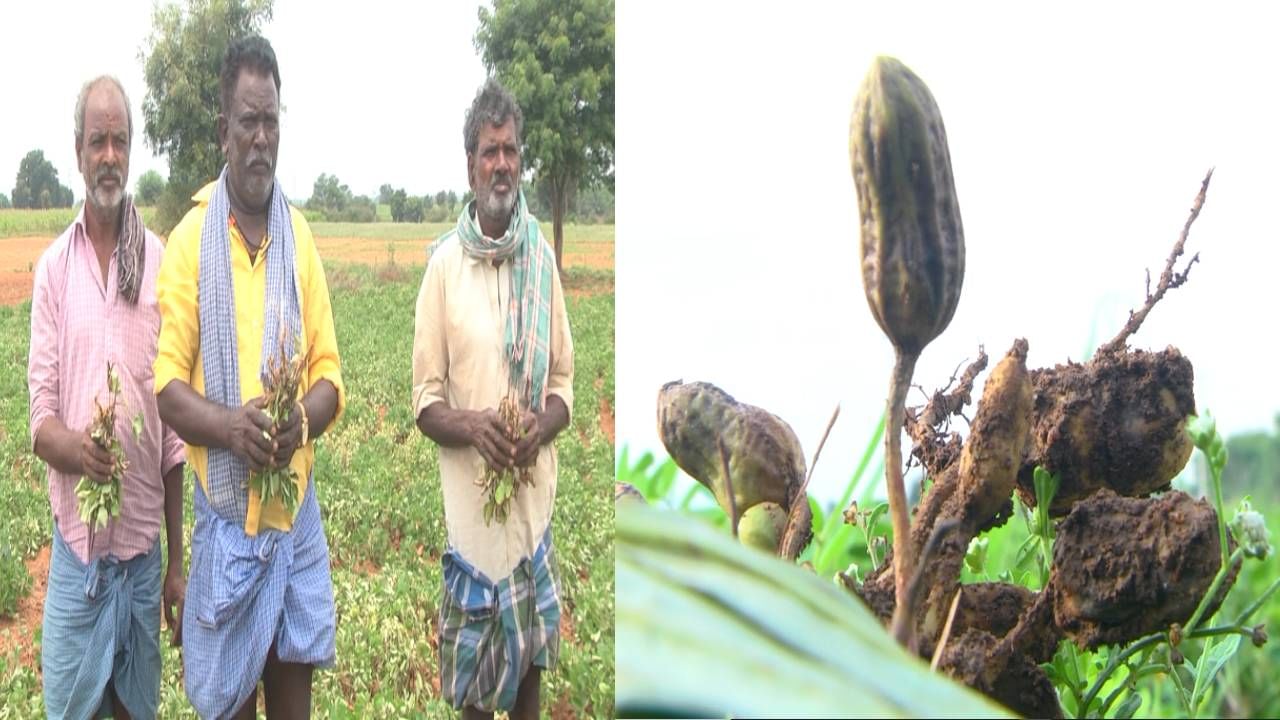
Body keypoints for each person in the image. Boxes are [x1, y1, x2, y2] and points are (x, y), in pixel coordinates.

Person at [152, 35, 344, 720]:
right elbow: (169, 385)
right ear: (223, 132)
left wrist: (302, 422)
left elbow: (328, 373)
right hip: (228, 528)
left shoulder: (300, 237)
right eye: (248, 122)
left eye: (271, 121)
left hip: (294, 526)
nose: (261, 139)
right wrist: (233, 428)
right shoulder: (189, 243)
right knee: (229, 707)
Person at [412, 77, 575, 720]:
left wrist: (539, 426)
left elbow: (562, 385)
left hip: (532, 522)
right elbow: (425, 402)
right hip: (472, 534)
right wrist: (476, 426)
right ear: (471, 165)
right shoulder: (444, 268)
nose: (501, 163)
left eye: (510, 149)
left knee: (529, 690)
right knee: (477, 703)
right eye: (489, 150)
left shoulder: (542, 262)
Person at [28, 74, 186, 720]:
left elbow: (173, 435)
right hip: (79, 559)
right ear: (78, 151)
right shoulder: (53, 271)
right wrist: (78, 450)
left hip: (144, 558)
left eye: (120, 140)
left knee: (133, 712)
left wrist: (179, 562)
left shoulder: (160, 261)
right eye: (99, 141)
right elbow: (40, 421)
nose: (110, 156)